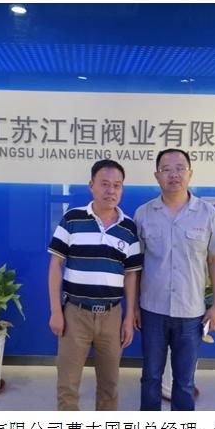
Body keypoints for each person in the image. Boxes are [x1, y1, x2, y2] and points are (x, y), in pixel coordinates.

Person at [134, 149, 215, 411]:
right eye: (166, 169)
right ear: (157, 176)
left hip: (191, 313)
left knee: (185, 382)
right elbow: (135, 266)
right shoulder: (143, 214)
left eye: (180, 168)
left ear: (190, 173)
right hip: (152, 310)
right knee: (150, 377)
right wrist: (133, 308)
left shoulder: (207, 213)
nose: (173, 174)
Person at [48, 159, 143, 411]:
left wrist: (128, 318)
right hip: (75, 315)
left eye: (117, 185)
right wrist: (56, 311)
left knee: (110, 386)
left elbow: (131, 276)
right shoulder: (72, 219)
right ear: (91, 185)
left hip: (112, 317)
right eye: (104, 184)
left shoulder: (129, 228)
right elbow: (55, 265)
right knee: (68, 386)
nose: (111, 190)